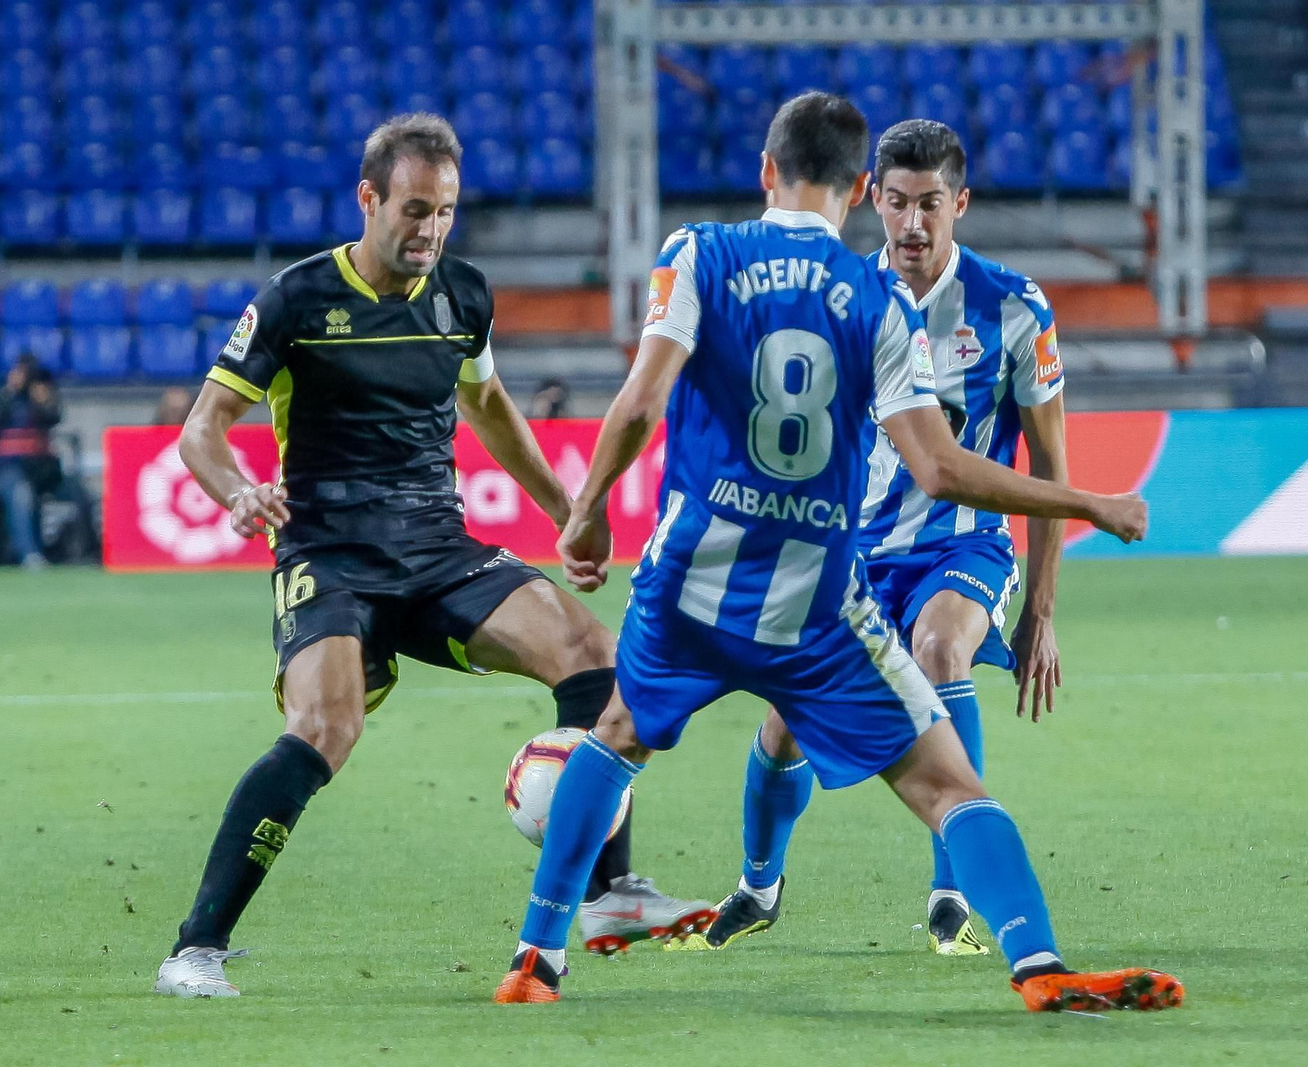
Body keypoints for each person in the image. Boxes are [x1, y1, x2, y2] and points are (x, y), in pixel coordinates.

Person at [493, 92, 1182, 1014]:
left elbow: (643, 401)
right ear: (863, 191)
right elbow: (939, 467)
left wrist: (584, 513)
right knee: (946, 784)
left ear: (767, 170)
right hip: (816, 603)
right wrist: (1088, 502)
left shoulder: (697, 253)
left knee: (615, 735)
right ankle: (1038, 963)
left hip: (689, 578)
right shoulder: (880, 301)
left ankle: (537, 959)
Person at [152, 114, 708, 999]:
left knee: (594, 653)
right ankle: (196, 948)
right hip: (329, 549)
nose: (431, 230)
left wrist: (571, 510)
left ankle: (607, 893)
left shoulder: (462, 295)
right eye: (415, 210)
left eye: (446, 212)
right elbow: (201, 431)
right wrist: (236, 491)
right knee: (326, 726)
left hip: (437, 548)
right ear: (368, 199)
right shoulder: (296, 300)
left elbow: (488, 408)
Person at [697, 120, 1073, 957]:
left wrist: (1041, 609)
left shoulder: (1015, 307)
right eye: (896, 202)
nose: (911, 224)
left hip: (961, 546)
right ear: (872, 197)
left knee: (941, 647)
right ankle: (760, 883)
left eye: (930, 205)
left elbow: (1050, 464)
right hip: (850, 551)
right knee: (786, 721)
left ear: (960, 204)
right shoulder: (844, 297)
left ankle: (952, 890)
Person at [0, 355, 62, 569]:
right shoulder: (0, 395)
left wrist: (43, 399)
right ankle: (29, 554)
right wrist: (10, 391)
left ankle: (81, 551)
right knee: (20, 494)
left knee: (81, 497)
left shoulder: (38, 396)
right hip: (7, 468)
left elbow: (54, 418)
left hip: (41, 469)